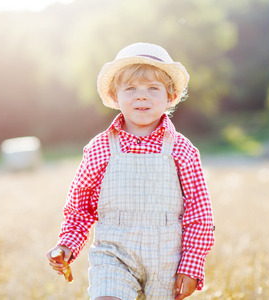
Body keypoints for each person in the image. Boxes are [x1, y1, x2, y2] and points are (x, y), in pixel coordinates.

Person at [46, 42, 215, 300]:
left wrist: (192, 264)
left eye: (152, 88)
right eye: (131, 88)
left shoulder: (181, 150)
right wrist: (67, 244)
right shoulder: (100, 148)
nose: (141, 96)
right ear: (115, 96)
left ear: (170, 96)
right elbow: (80, 206)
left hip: (167, 258)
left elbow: (199, 213)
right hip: (114, 253)